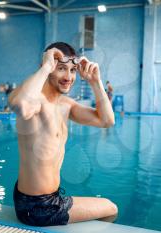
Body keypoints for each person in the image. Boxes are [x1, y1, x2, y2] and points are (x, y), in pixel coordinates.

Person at [8, 42, 117, 227]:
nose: (69, 77)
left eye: (73, 70)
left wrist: (95, 81)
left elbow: (106, 120)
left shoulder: (66, 105)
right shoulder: (35, 101)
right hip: (37, 206)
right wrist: (46, 67)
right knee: (111, 208)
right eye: (61, 68)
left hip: (48, 199)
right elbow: (21, 106)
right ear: (48, 68)